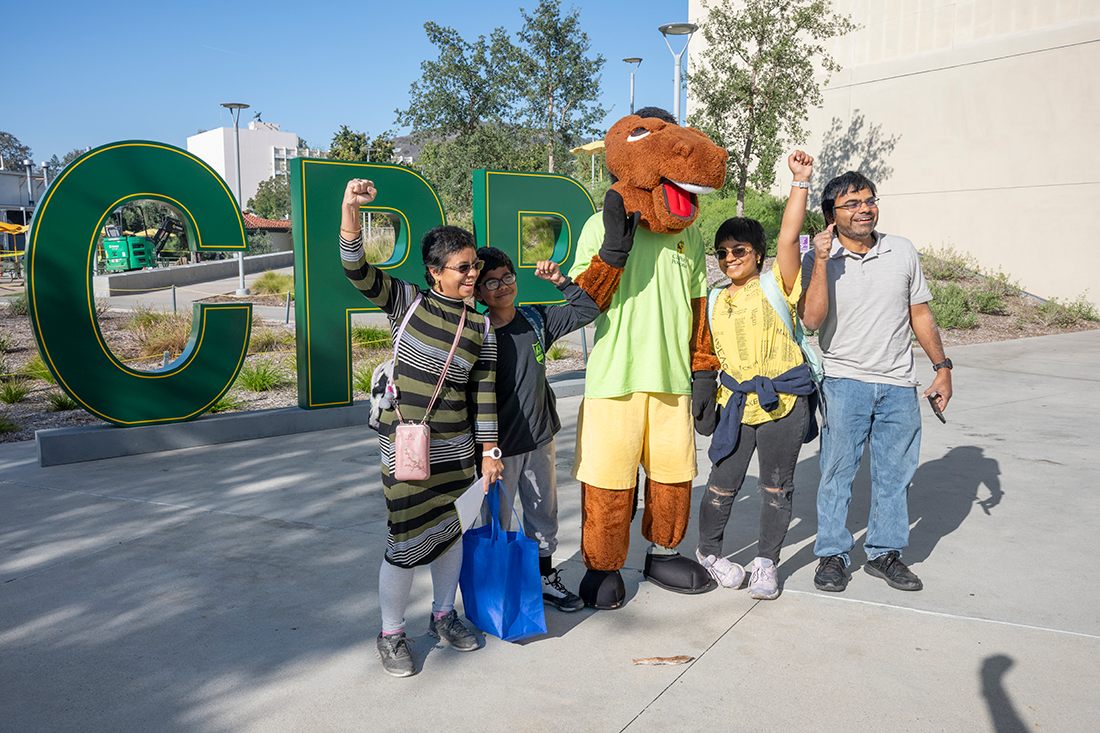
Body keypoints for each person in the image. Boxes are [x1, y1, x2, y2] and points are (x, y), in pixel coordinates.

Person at [339, 178, 503, 677]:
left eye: (475, 265)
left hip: (457, 451)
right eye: (463, 267)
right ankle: (390, 635)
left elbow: (484, 391)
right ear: (435, 271)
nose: (473, 273)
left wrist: (490, 450)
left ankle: (443, 616)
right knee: (406, 540)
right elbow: (354, 265)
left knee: (451, 534)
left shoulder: (480, 325)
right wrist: (349, 206)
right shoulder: (405, 300)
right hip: (407, 447)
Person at [799, 171, 953, 593]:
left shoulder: (901, 250)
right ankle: (832, 553)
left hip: (899, 385)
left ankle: (884, 553)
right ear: (831, 214)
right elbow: (811, 321)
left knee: (895, 475)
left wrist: (943, 366)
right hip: (843, 382)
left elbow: (919, 313)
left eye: (869, 200)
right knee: (836, 473)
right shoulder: (818, 257)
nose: (864, 208)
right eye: (852, 203)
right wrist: (824, 259)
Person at [693, 151, 818, 601]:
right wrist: (702, 396)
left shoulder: (775, 284)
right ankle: (709, 554)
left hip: (783, 401)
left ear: (758, 254)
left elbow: (789, 238)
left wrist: (800, 181)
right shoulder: (713, 298)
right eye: (723, 252)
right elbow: (705, 353)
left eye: (739, 250)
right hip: (735, 404)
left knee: (775, 487)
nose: (730, 258)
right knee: (721, 485)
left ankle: (767, 563)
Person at [474, 246, 600, 613]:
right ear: (479, 292)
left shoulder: (536, 319)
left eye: (507, 277)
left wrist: (561, 281)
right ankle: (499, 588)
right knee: (497, 522)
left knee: (543, 513)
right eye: (491, 282)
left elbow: (587, 309)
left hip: (539, 439)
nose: (502, 287)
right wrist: (485, 450)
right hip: (498, 450)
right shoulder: (476, 331)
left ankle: (544, 577)